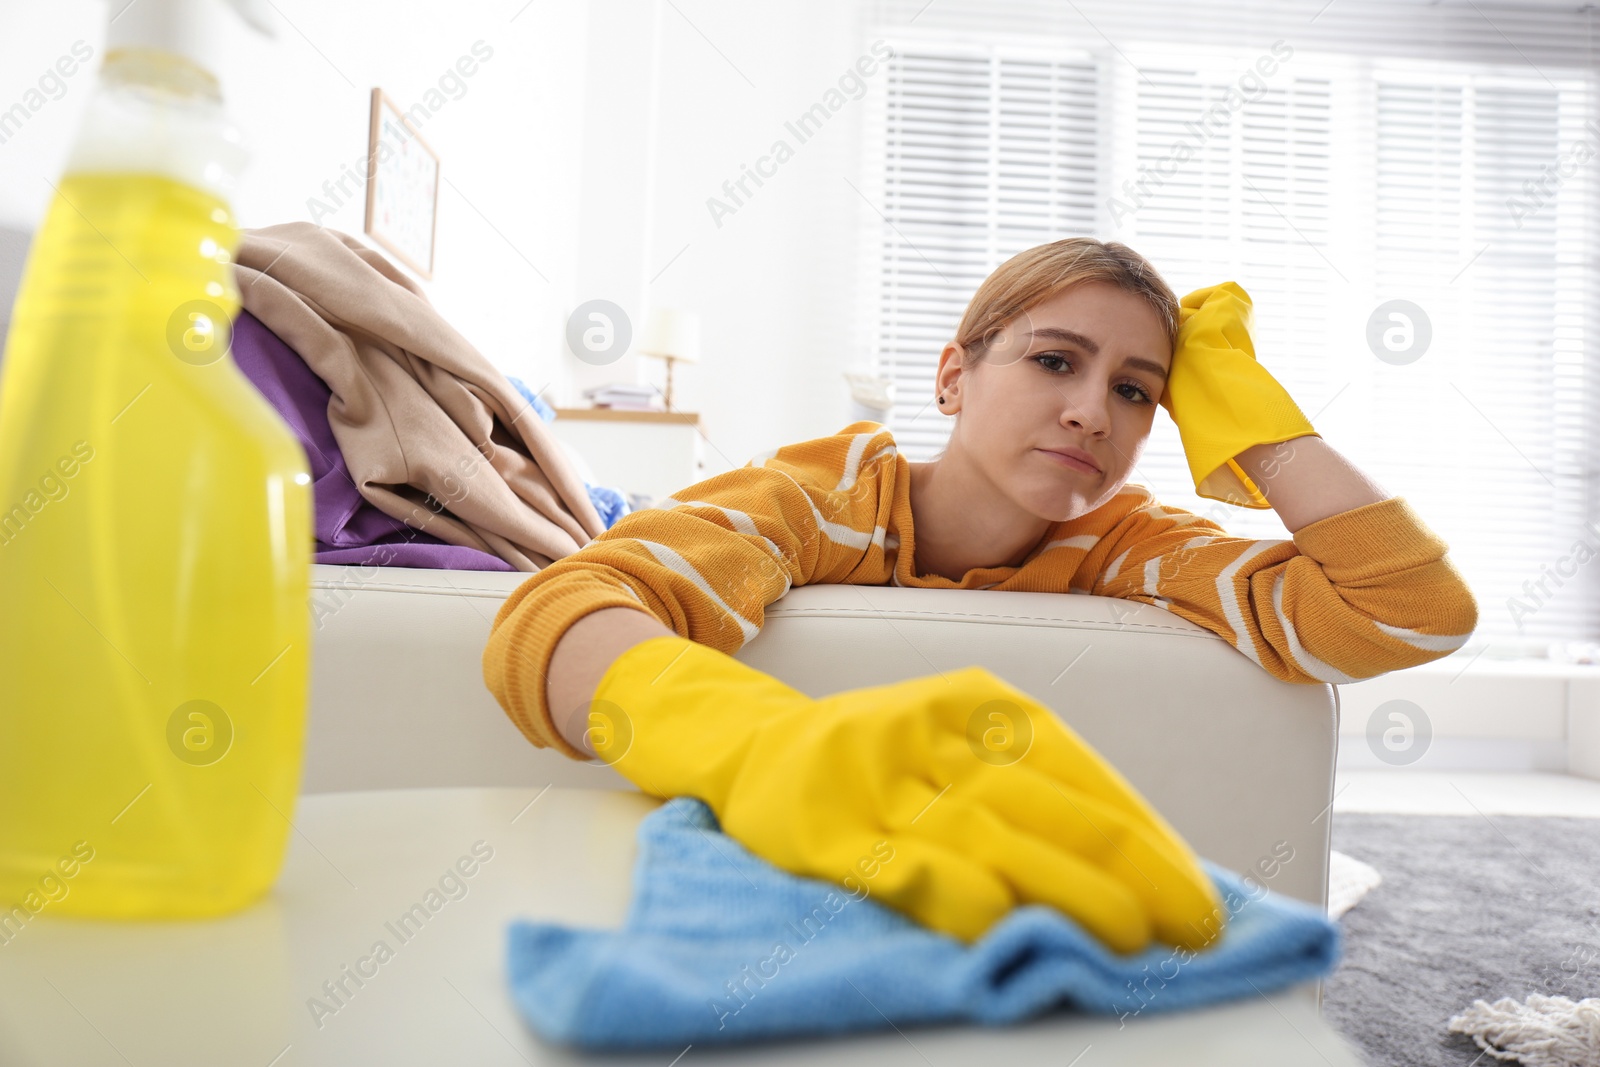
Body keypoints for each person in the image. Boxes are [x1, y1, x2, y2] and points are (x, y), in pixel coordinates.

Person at [482, 237, 1479, 954]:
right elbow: (560, 606)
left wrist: (1249, 418)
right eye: (1054, 360)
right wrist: (764, 747)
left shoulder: (1122, 541)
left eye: (1138, 389)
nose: (1092, 409)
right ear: (953, 376)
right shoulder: (812, 495)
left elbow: (1409, 609)